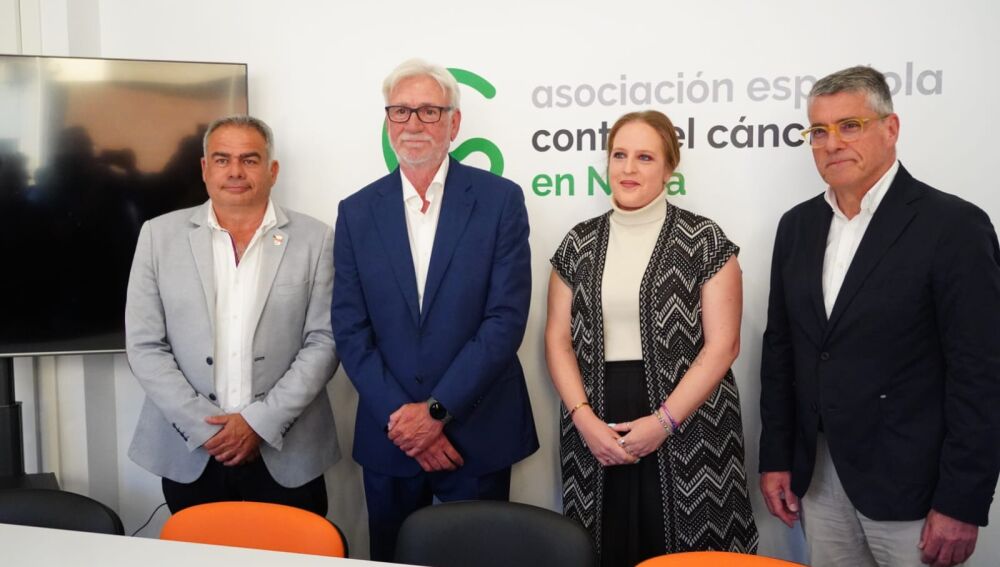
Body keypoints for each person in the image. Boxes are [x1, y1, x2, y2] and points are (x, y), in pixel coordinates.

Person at [759, 65, 1000, 567]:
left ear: (891, 128)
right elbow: (781, 351)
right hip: (819, 480)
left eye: (850, 125)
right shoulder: (797, 226)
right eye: (818, 131)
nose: (832, 143)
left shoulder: (953, 226)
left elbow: (981, 373)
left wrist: (962, 499)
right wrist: (777, 457)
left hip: (915, 489)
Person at [331, 58, 538, 561]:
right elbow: (351, 329)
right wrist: (406, 422)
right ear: (388, 121)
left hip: (478, 433)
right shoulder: (356, 212)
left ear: (454, 122)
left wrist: (437, 412)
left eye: (429, 111)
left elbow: (505, 320)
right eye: (401, 111)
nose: (414, 123)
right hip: (392, 436)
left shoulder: (500, 201)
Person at [546, 110, 759, 567]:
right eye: (619, 155)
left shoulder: (704, 240)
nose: (628, 168)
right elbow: (557, 339)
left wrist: (663, 423)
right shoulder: (578, 243)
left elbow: (723, 346)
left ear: (668, 168)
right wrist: (584, 420)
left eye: (645, 157)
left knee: (692, 556)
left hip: (690, 426)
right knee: (602, 547)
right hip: (596, 426)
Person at [126, 115, 339, 516]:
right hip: (193, 449)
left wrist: (259, 423)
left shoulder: (317, 239)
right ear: (205, 168)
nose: (236, 171)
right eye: (222, 159)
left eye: (250, 159)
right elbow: (144, 345)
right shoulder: (158, 236)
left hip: (286, 450)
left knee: (295, 550)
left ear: (272, 171)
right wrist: (202, 426)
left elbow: (324, 342)